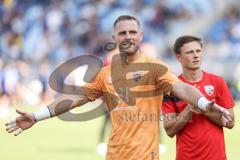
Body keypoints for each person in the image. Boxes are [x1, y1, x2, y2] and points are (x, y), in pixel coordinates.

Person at [5, 15, 232, 160]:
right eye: (122, 33)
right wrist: (36, 116)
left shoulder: (155, 67)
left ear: (140, 36)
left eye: (132, 32)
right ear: (115, 37)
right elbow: (74, 99)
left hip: (146, 157)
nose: (128, 36)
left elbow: (182, 89)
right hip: (114, 156)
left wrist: (202, 102)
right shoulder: (105, 74)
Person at [162, 35, 235, 160]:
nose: (196, 55)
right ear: (178, 57)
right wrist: (189, 109)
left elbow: (230, 122)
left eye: (198, 51)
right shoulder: (172, 89)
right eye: (190, 52)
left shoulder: (218, 82)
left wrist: (205, 109)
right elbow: (169, 131)